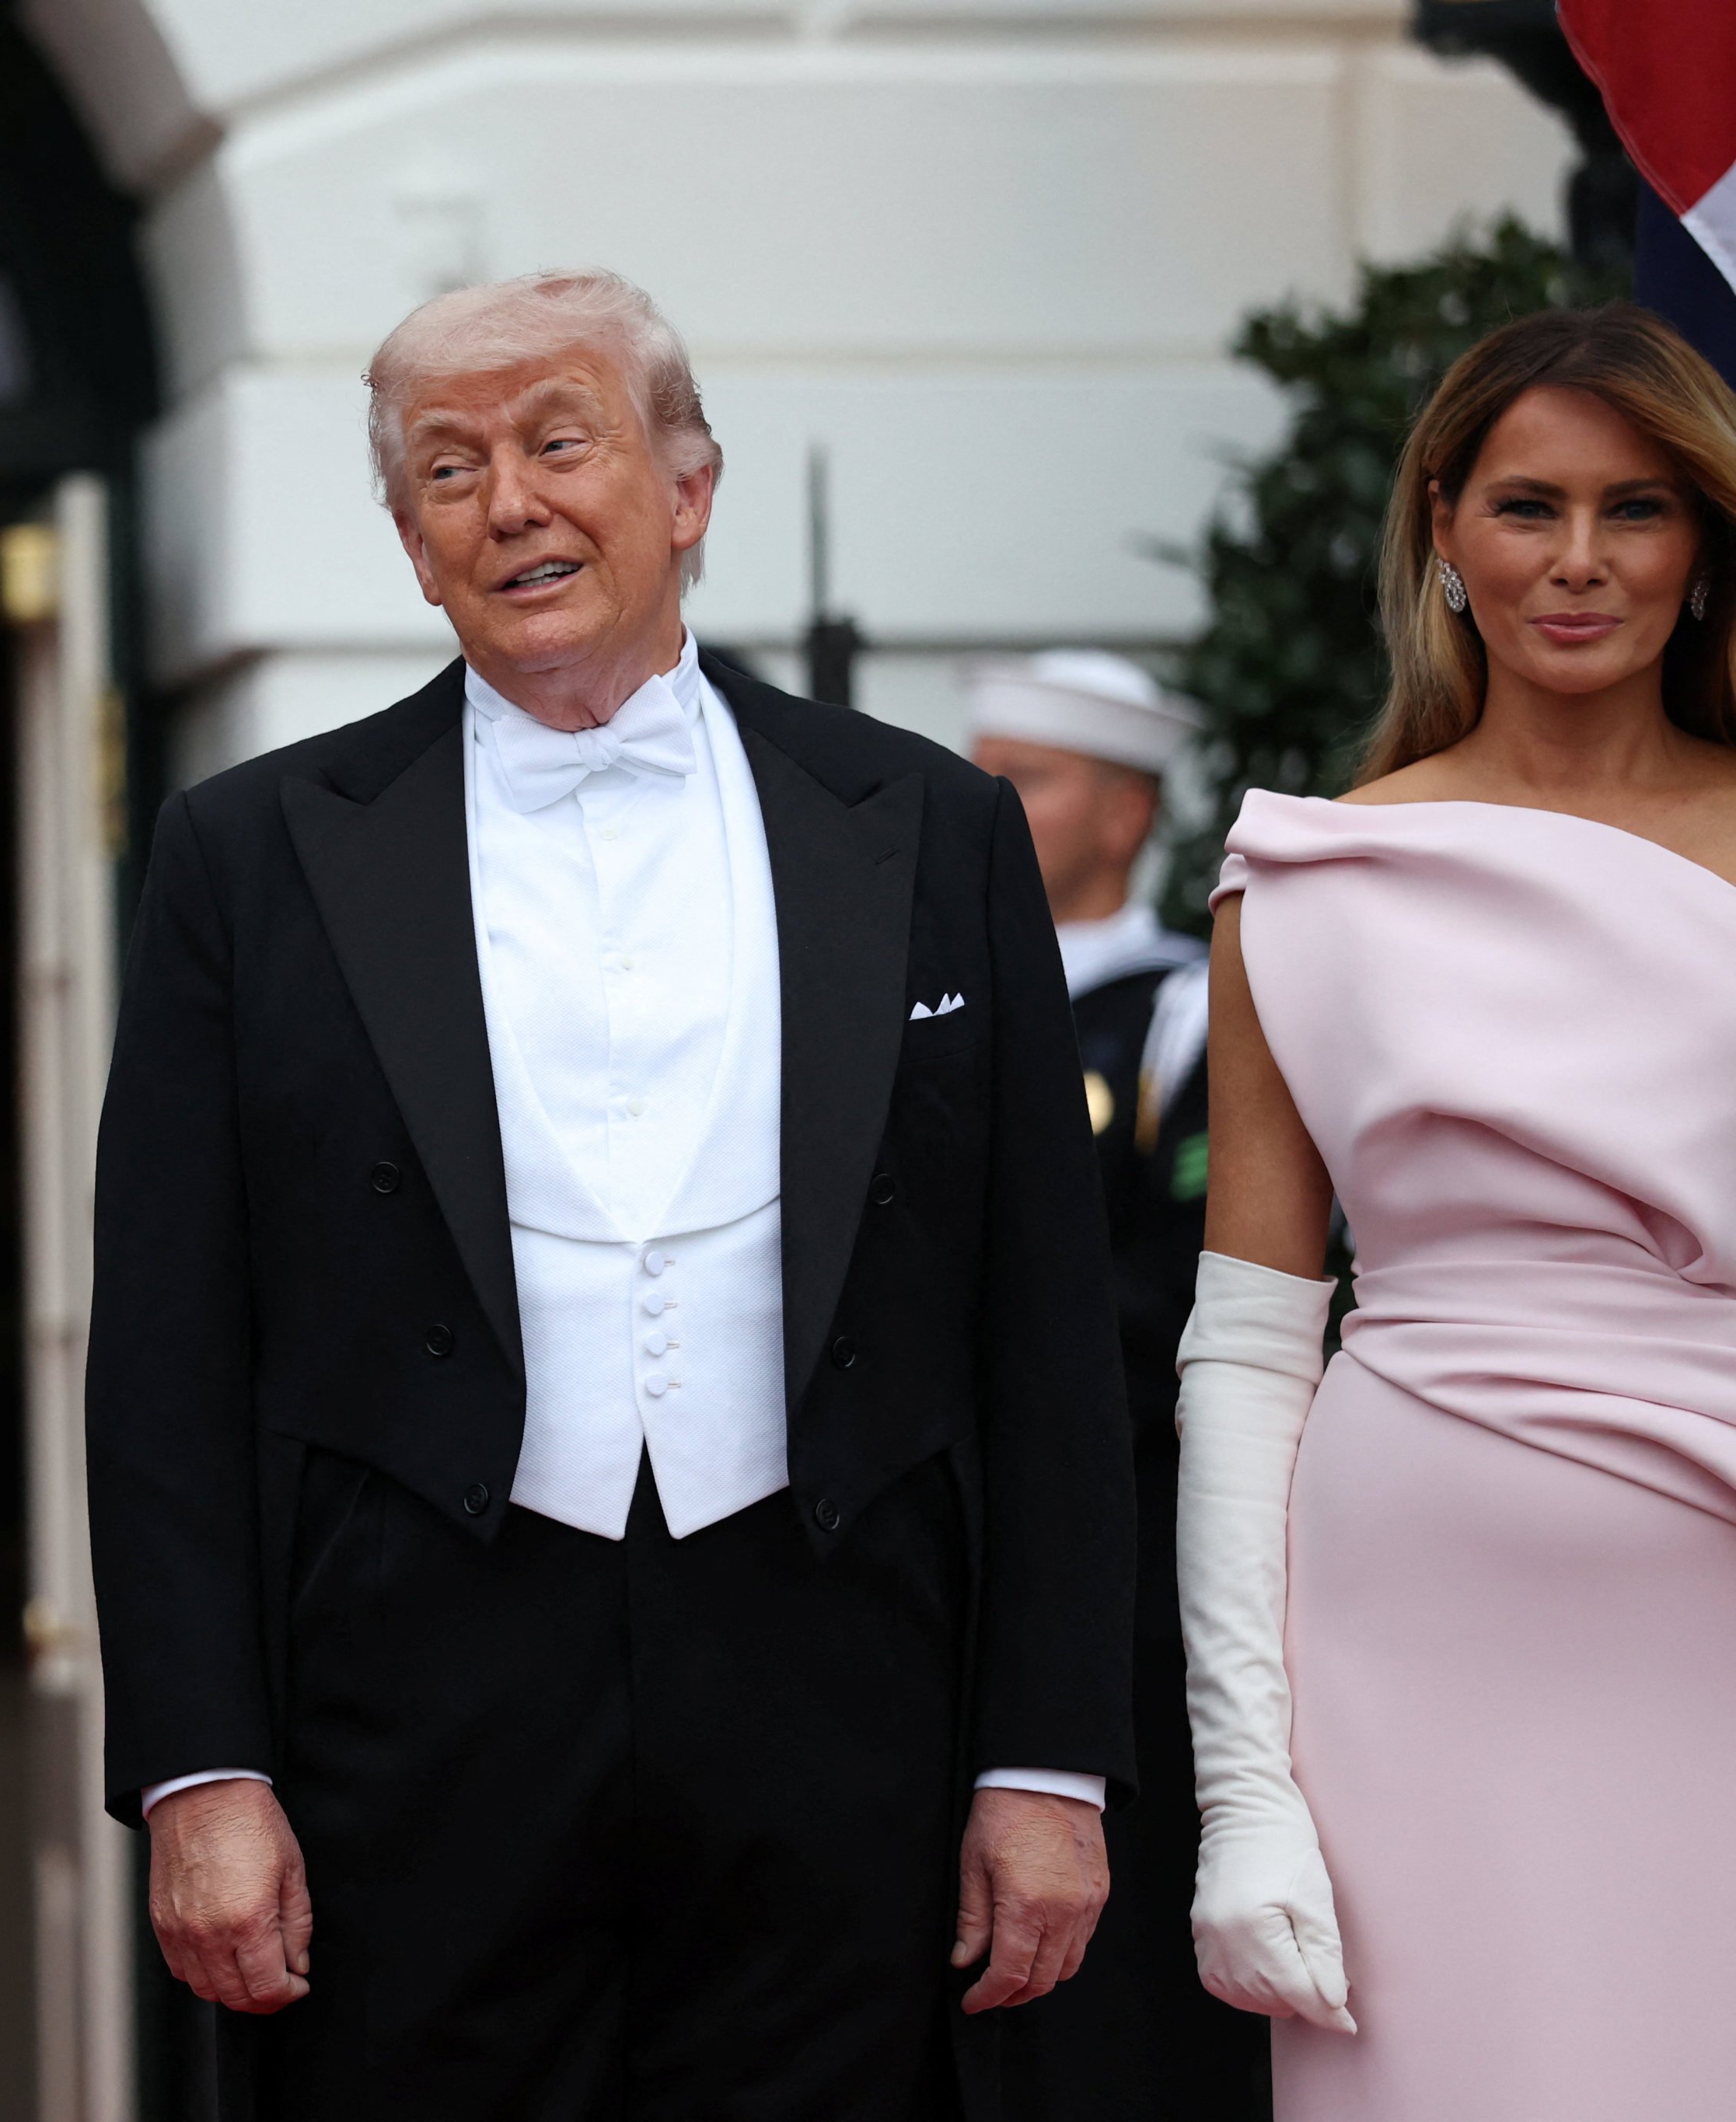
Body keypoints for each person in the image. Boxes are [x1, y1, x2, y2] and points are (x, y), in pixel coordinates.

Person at [85, 268, 1136, 2119]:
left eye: (559, 443)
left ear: (690, 487)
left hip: (841, 1680)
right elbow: (167, 1348)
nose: (509, 504)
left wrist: (1045, 1757)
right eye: (447, 469)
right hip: (408, 1704)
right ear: (408, 541)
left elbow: (1040, 1320)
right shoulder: (245, 854)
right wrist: (199, 1768)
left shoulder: (929, 825)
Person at [1184, 302, 1736, 2118]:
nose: (1580, 561)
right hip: (1407, 1648)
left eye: (1635, 508)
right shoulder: (1311, 880)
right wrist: (1243, 1787)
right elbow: (1248, 1351)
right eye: (1526, 506)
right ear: (1441, 530)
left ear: (1702, 542)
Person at [968, 656, 1267, 2121]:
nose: (982, 805)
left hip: (1134, 1533)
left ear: (1127, 811)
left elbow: (1201, 1272)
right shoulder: (917, 988)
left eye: (1023, 779)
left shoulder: (1185, 1011)